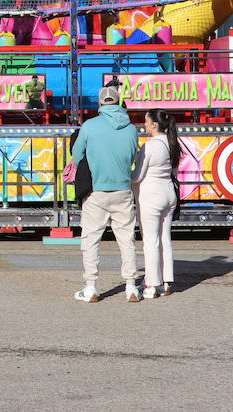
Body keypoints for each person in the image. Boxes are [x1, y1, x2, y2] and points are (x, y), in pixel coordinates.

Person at [69, 82, 140, 303]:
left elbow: (76, 153)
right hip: (123, 190)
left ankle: (90, 287)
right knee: (126, 239)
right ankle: (131, 286)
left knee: (91, 239)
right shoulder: (131, 128)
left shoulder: (90, 126)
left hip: (96, 192)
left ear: (100, 103)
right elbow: (133, 158)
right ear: (118, 101)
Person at [132, 109, 179, 299]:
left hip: (151, 196)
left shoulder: (149, 146)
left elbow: (138, 176)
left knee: (150, 241)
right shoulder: (172, 143)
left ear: (154, 124)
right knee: (164, 239)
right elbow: (174, 171)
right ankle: (166, 281)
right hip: (169, 193)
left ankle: (151, 283)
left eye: (145, 121)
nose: (144, 125)